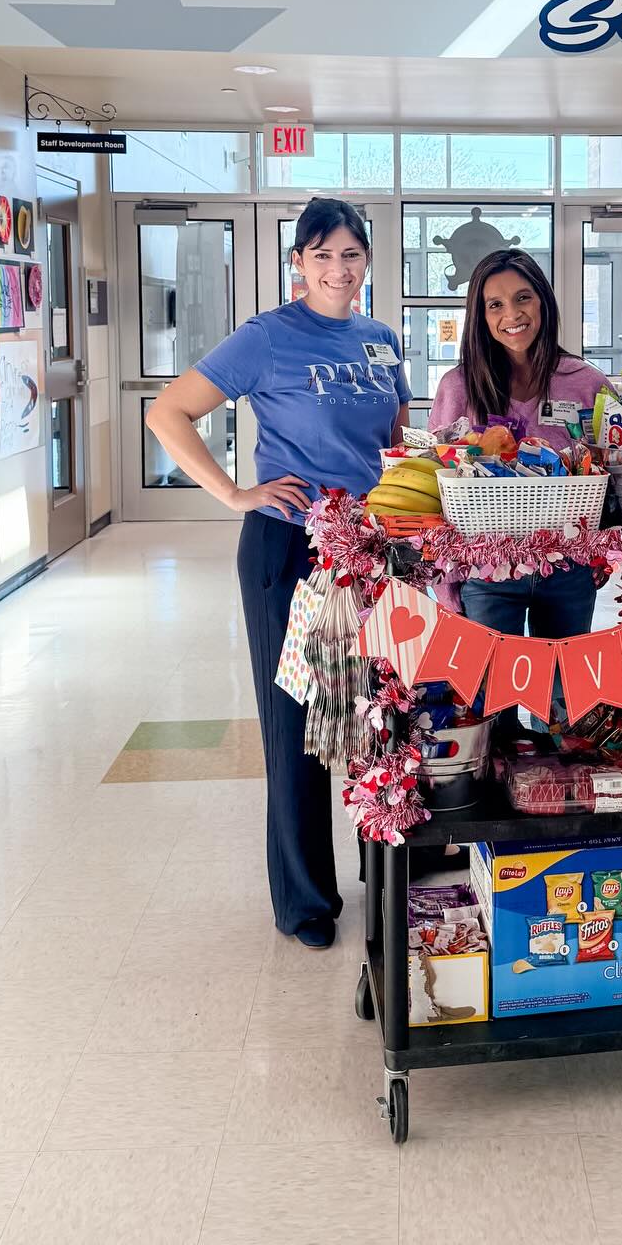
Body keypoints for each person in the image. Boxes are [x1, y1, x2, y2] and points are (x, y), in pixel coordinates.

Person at [145, 199, 410, 950]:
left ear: (367, 260)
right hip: (289, 547)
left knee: (377, 714)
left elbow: (395, 438)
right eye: (322, 255)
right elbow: (169, 412)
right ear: (298, 262)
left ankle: (385, 868)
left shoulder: (381, 340)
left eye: (351, 254)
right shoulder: (266, 336)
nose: (338, 269)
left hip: (370, 550)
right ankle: (305, 901)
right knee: (294, 722)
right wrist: (234, 492)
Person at [430, 248, 611, 652]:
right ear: (480, 316)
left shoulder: (587, 382)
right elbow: (435, 488)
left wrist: (603, 554)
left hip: (568, 568)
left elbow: (612, 474)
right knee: (490, 687)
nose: (512, 314)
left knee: (564, 687)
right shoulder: (458, 387)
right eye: (495, 304)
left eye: (523, 297)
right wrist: (446, 581)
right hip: (484, 571)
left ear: (543, 301)